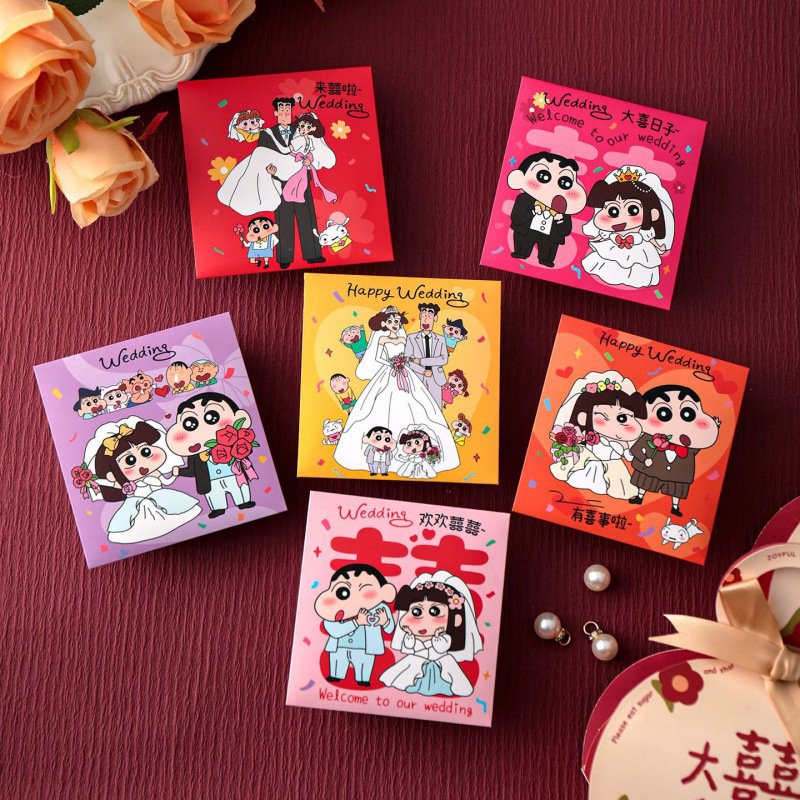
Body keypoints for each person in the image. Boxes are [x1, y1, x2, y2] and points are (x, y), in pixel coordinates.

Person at [331, 307, 460, 476]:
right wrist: (391, 364)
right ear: (384, 323)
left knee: (418, 404)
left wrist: (404, 363)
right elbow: (378, 357)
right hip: (389, 373)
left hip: (406, 374)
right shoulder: (382, 338)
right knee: (380, 404)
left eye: (397, 321)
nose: (394, 324)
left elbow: (410, 356)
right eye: (390, 321)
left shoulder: (405, 339)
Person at [85, 418, 201, 543]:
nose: (142, 464)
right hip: (136, 503)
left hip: (160, 496)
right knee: (128, 518)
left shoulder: (155, 473)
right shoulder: (126, 484)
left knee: (174, 506)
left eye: (146, 451)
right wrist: (93, 480)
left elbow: (167, 482)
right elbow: (109, 483)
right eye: (130, 460)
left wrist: (174, 474)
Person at [379, 571, 482, 697]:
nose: (423, 620)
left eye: (434, 611)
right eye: (416, 612)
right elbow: (410, 645)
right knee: (407, 678)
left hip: (440, 661)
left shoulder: (444, 638)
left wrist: (437, 638)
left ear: (456, 619)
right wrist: (410, 636)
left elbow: (442, 648)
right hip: (417, 659)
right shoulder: (411, 636)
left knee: (448, 679)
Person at [629, 385, 721, 517]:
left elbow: (695, 449)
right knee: (645, 481)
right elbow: (636, 449)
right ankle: (639, 496)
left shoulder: (688, 444)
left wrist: (709, 432)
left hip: (676, 474)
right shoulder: (649, 437)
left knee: (676, 489)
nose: (677, 422)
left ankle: (675, 507)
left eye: (688, 414)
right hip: (651, 470)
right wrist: (645, 460)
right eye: (663, 413)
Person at [582, 165, 675, 288]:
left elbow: (651, 239)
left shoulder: (645, 232)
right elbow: (602, 235)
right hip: (613, 248)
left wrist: (659, 246)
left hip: (639, 251)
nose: (621, 219)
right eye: (612, 211)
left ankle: (634, 279)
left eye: (633, 210)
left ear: (652, 213)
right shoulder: (608, 232)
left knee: (638, 266)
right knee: (609, 262)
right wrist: (596, 239)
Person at [314, 563, 397, 687]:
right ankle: (336, 675)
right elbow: (334, 631)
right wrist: (357, 622)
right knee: (337, 664)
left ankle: (363, 679)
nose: (355, 598)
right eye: (342, 591)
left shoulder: (381, 608)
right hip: (339, 646)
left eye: (365, 590)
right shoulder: (333, 610)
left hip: (366, 648)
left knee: (364, 667)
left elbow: (390, 630)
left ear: (385, 592)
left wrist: (385, 622)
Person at [507, 151, 587, 266]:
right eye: (543, 176)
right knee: (522, 247)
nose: (553, 187)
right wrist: (533, 212)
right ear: (520, 177)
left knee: (548, 253)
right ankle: (521, 252)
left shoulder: (563, 209)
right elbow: (516, 217)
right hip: (525, 232)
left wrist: (560, 220)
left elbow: (566, 231)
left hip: (549, 238)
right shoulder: (523, 199)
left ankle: (546, 259)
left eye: (565, 183)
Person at [404, 303, 449, 406]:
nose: (426, 319)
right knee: (418, 407)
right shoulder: (411, 338)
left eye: (429, 315)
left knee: (436, 407)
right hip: (418, 377)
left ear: (435, 318)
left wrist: (420, 361)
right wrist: (423, 371)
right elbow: (407, 360)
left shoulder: (441, 339)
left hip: (436, 378)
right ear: (420, 316)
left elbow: (443, 359)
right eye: (424, 315)